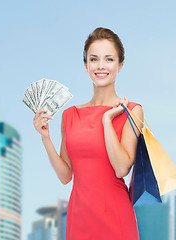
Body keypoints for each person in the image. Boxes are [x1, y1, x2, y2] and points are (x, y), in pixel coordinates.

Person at [33, 27, 143, 239]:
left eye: (109, 59)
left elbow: (121, 168)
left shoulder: (132, 111)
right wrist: (45, 138)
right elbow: (66, 176)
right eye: (94, 59)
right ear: (86, 65)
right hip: (79, 219)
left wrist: (107, 120)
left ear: (120, 65)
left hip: (116, 218)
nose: (101, 66)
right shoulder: (70, 115)